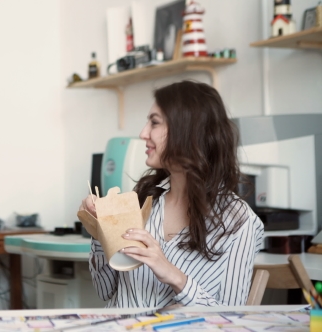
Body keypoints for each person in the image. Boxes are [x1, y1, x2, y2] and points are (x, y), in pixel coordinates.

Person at [80, 80, 264, 308]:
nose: (143, 133)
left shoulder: (239, 222)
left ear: (187, 131)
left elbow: (230, 320)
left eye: (154, 123)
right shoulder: (143, 198)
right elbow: (105, 290)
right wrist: (100, 232)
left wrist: (174, 276)